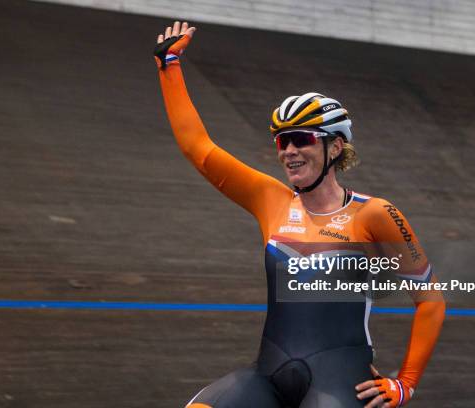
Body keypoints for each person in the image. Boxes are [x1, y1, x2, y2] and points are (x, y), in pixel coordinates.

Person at [154, 21, 445, 408]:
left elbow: (430, 300)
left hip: (339, 381)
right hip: (267, 374)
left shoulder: (375, 214)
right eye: (282, 140)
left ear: (336, 147)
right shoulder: (271, 200)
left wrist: (405, 383)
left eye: (302, 139)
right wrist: (169, 66)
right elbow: (198, 147)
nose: (288, 150)